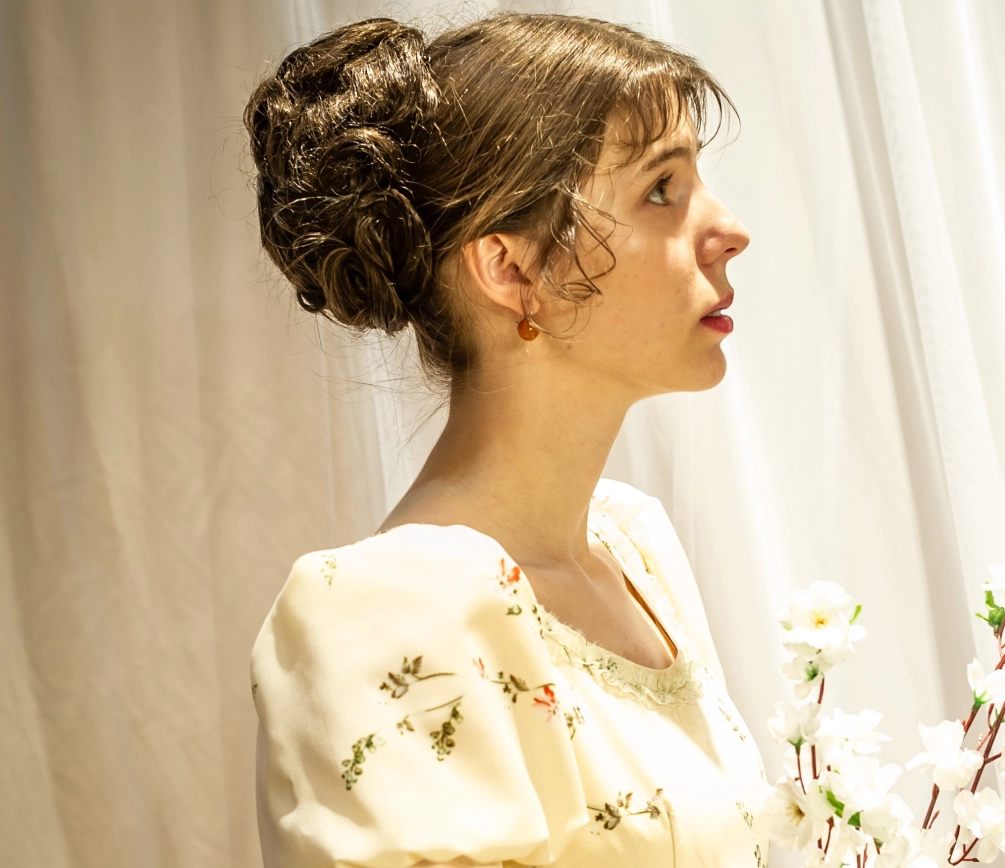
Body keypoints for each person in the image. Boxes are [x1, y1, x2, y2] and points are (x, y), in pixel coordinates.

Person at [244, 12, 766, 868]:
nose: (730, 229)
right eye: (661, 190)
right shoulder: (381, 610)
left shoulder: (635, 551)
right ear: (511, 269)